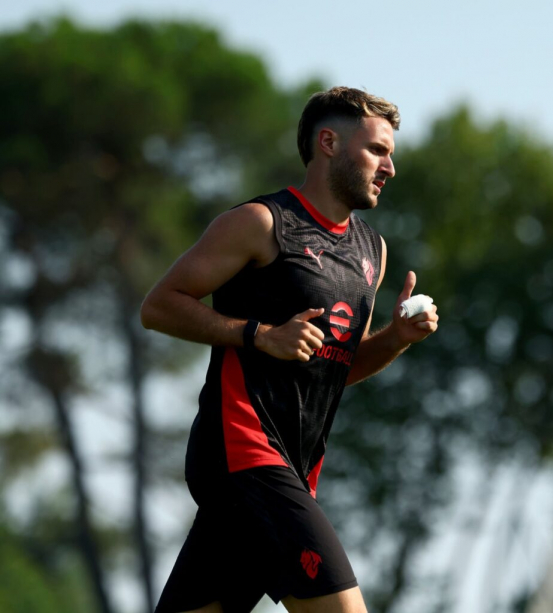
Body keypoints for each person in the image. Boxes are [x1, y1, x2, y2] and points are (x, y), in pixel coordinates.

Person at [140, 86, 438, 613]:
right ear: (329, 143)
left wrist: (395, 338)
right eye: (377, 150)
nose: (389, 167)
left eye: (390, 153)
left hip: (295, 465)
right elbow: (159, 306)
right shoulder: (260, 223)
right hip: (242, 452)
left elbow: (338, 369)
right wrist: (258, 334)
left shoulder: (372, 250)